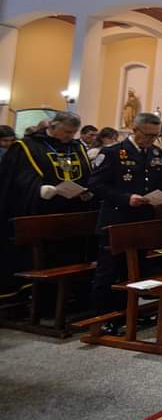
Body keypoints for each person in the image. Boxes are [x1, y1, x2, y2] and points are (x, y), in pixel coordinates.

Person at [0, 112, 96, 294]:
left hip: (73, 212)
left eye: (73, 132)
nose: (70, 136)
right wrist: (39, 189)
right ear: (53, 126)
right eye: (66, 132)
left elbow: (87, 173)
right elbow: (16, 178)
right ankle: (35, 293)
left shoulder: (76, 147)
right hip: (40, 210)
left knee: (72, 254)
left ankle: (71, 293)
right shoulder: (26, 146)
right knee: (42, 256)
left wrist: (88, 190)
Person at [88, 112, 162, 315]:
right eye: (148, 135)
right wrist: (125, 198)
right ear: (135, 130)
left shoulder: (156, 153)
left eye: (155, 135)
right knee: (109, 270)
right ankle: (102, 316)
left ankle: (127, 312)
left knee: (135, 269)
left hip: (142, 220)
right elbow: (96, 184)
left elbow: (159, 182)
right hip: (116, 219)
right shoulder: (113, 152)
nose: (151, 139)